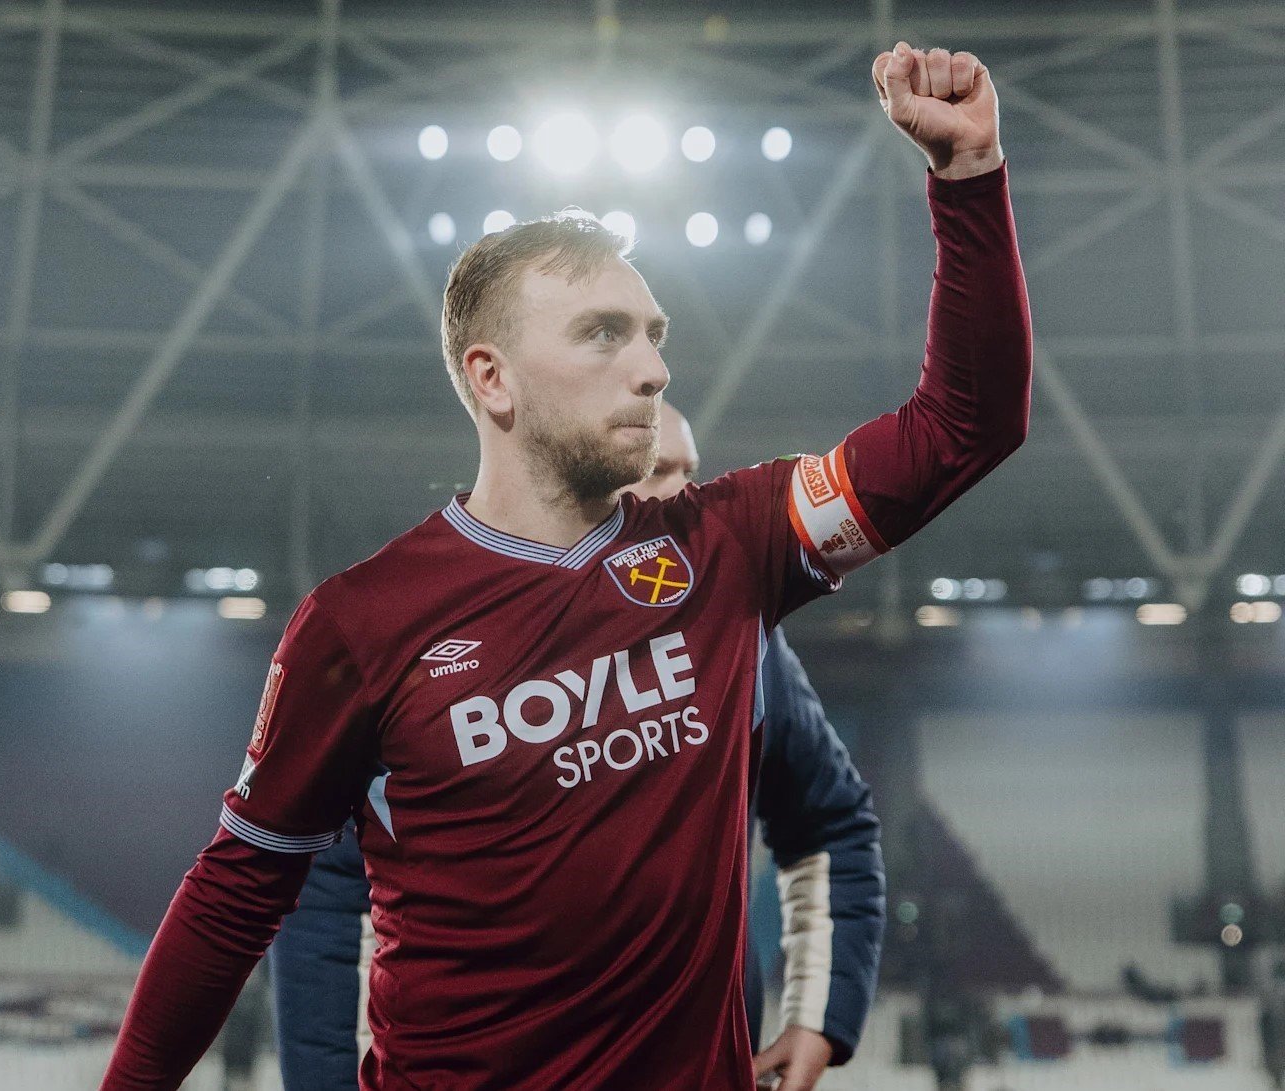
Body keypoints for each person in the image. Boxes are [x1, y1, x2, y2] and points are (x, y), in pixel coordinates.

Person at [103, 42, 1030, 1090]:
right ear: (490, 379)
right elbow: (239, 892)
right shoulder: (360, 624)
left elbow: (967, 424)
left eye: (653, 333)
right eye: (602, 334)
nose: (652, 366)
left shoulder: (729, 548)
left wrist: (970, 178)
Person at [266, 404, 886, 1090]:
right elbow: (322, 890)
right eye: (655, 471)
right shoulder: (431, 642)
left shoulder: (743, 638)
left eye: (691, 471)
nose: (683, 493)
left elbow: (829, 820)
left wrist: (818, 1013)